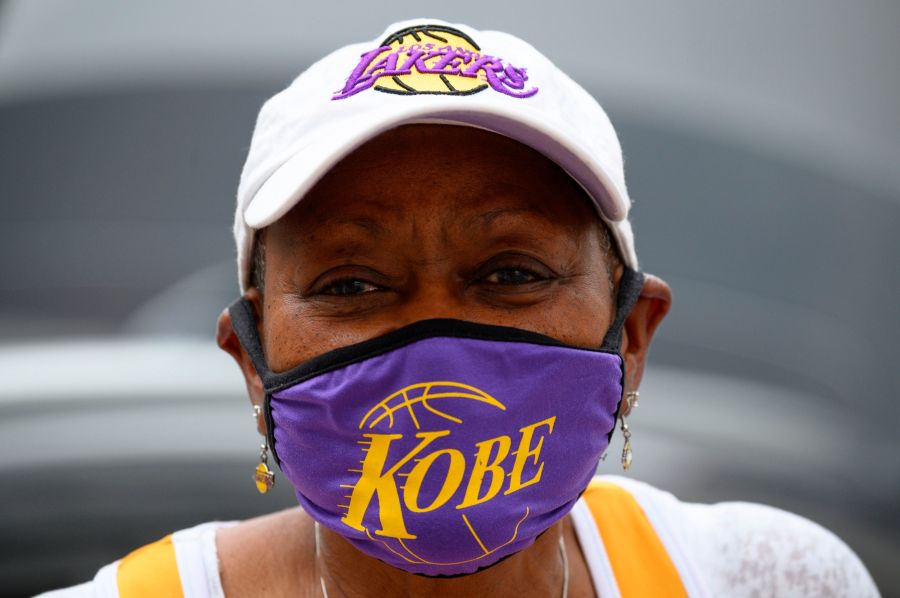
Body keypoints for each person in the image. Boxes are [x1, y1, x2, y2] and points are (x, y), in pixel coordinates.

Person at [43, 19, 879, 598]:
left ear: (630, 336)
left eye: (510, 272)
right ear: (252, 359)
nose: (433, 334)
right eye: (351, 285)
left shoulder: (767, 578)